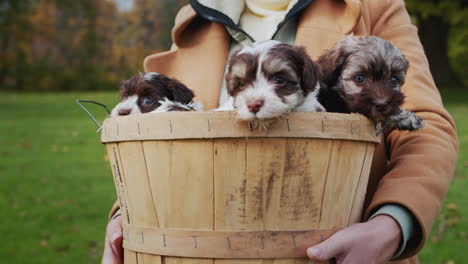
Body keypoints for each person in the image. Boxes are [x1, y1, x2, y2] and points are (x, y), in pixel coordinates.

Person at [102, 1, 458, 263]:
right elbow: (158, 132)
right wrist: (126, 215)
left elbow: (426, 126)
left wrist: (391, 224)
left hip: (336, 248)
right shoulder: (197, 16)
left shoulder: (373, 5)